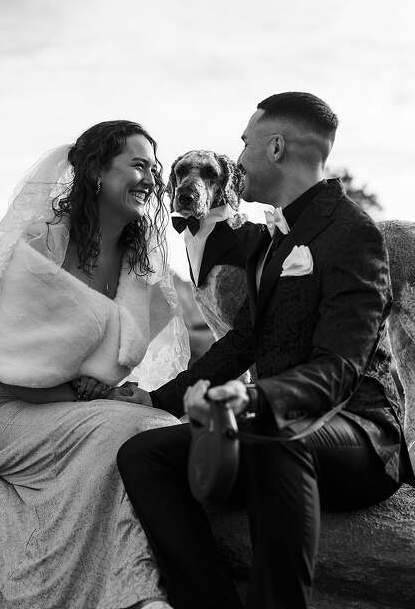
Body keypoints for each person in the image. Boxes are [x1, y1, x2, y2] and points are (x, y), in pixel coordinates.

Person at [117, 93, 415, 609]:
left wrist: (253, 399)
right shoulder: (272, 237)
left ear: (275, 147)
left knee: (272, 435)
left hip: (359, 431)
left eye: (245, 143)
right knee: (144, 456)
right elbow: (245, 341)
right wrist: (158, 400)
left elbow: (340, 366)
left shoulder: (353, 233)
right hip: (269, 425)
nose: (240, 157)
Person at [0, 120, 190, 609]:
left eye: (155, 169)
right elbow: (11, 362)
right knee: (137, 431)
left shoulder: (138, 259)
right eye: (138, 165)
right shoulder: (43, 240)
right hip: (6, 409)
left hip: (75, 411)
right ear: (96, 172)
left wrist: (101, 390)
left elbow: (114, 356)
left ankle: (131, 589)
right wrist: (85, 391)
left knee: (158, 429)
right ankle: (136, 596)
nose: (152, 179)